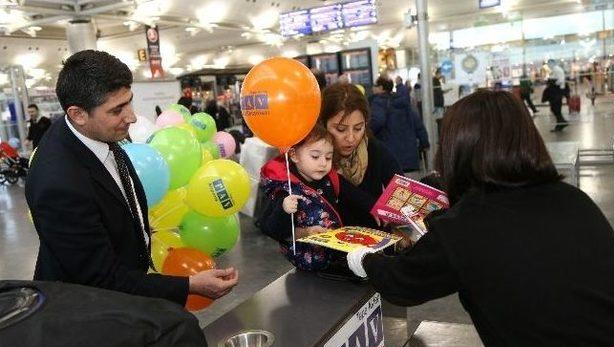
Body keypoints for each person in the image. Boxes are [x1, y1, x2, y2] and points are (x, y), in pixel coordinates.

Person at [345, 90, 614, 347]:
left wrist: (364, 260)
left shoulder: (466, 227)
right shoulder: (573, 199)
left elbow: (402, 282)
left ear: (457, 149)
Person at [25, 50, 238, 306]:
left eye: (129, 102)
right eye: (117, 110)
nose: (132, 117)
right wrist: (190, 285)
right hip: (88, 310)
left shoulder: (93, 132)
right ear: (78, 114)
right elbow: (102, 279)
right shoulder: (59, 183)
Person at [258, 124, 374, 271]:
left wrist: (376, 208)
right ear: (293, 155)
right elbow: (271, 229)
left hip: (335, 254)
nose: (323, 163)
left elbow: (356, 195)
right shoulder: (284, 186)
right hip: (306, 260)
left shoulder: (329, 177)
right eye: (315, 156)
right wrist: (284, 209)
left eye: (328, 157)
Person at [320, 83, 403, 228]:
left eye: (358, 128)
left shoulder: (375, 149)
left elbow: (401, 188)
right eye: (340, 129)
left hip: (374, 245)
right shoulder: (313, 157)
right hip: (333, 247)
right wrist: (370, 204)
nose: (351, 138)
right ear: (323, 124)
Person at [369, 75, 428, 172]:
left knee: (393, 185)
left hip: (390, 155)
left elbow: (378, 120)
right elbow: (418, 123)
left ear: (381, 88)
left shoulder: (378, 102)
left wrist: (366, 134)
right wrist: (424, 142)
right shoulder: (402, 101)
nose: (372, 88)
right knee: (407, 185)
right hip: (409, 155)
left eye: (375, 85)